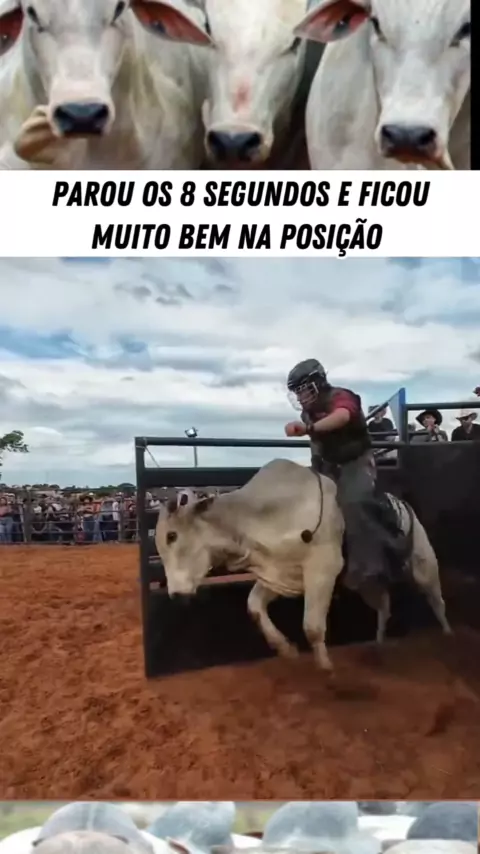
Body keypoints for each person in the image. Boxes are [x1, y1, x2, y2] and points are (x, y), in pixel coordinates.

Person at [284, 358, 408, 589]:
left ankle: (369, 568)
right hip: (329, 464)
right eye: (296, 392)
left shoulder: (341, 396)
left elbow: (342, 416)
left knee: (354, 502)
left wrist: (308, 429)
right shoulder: (307, 414)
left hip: (357, 461)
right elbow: (316, 444)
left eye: (302, 390)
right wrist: (314, 469)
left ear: (317, 384)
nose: (300, 397)